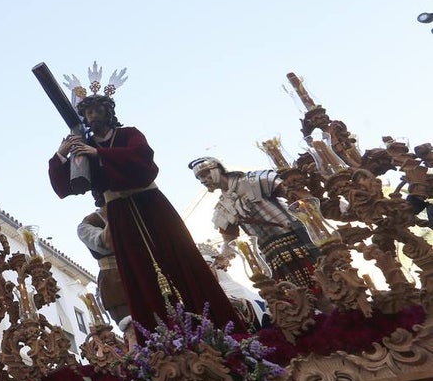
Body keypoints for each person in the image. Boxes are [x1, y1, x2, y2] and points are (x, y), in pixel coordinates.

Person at [48, 71, 244, 331]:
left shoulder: (129, 134)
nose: (92, 116)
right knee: (137, 269)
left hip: (151, 205)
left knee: (179, 255)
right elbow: (67, 187)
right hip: (120, 213)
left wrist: (99, 153)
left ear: (108, 112)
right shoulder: (83, 147)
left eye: (97, 110)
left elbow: (144, 162)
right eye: (88, 112)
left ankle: (214, 324)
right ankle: (160, 334)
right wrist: (61, 156)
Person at [188, 157, 320, 288]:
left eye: (205, 174)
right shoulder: (222, 207)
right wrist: (223, 256)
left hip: (296, 238)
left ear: (218, 169)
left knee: (321, 278)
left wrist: (307, 209)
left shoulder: (254, 180)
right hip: (270, 254)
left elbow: (294, 195)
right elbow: (229, 240)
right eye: (199, 178)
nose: (203, 180)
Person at [76, 207, 130, 327]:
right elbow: (106, 243)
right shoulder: (86, 225)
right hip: (117, 285)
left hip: (153, 275)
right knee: (135, 332)